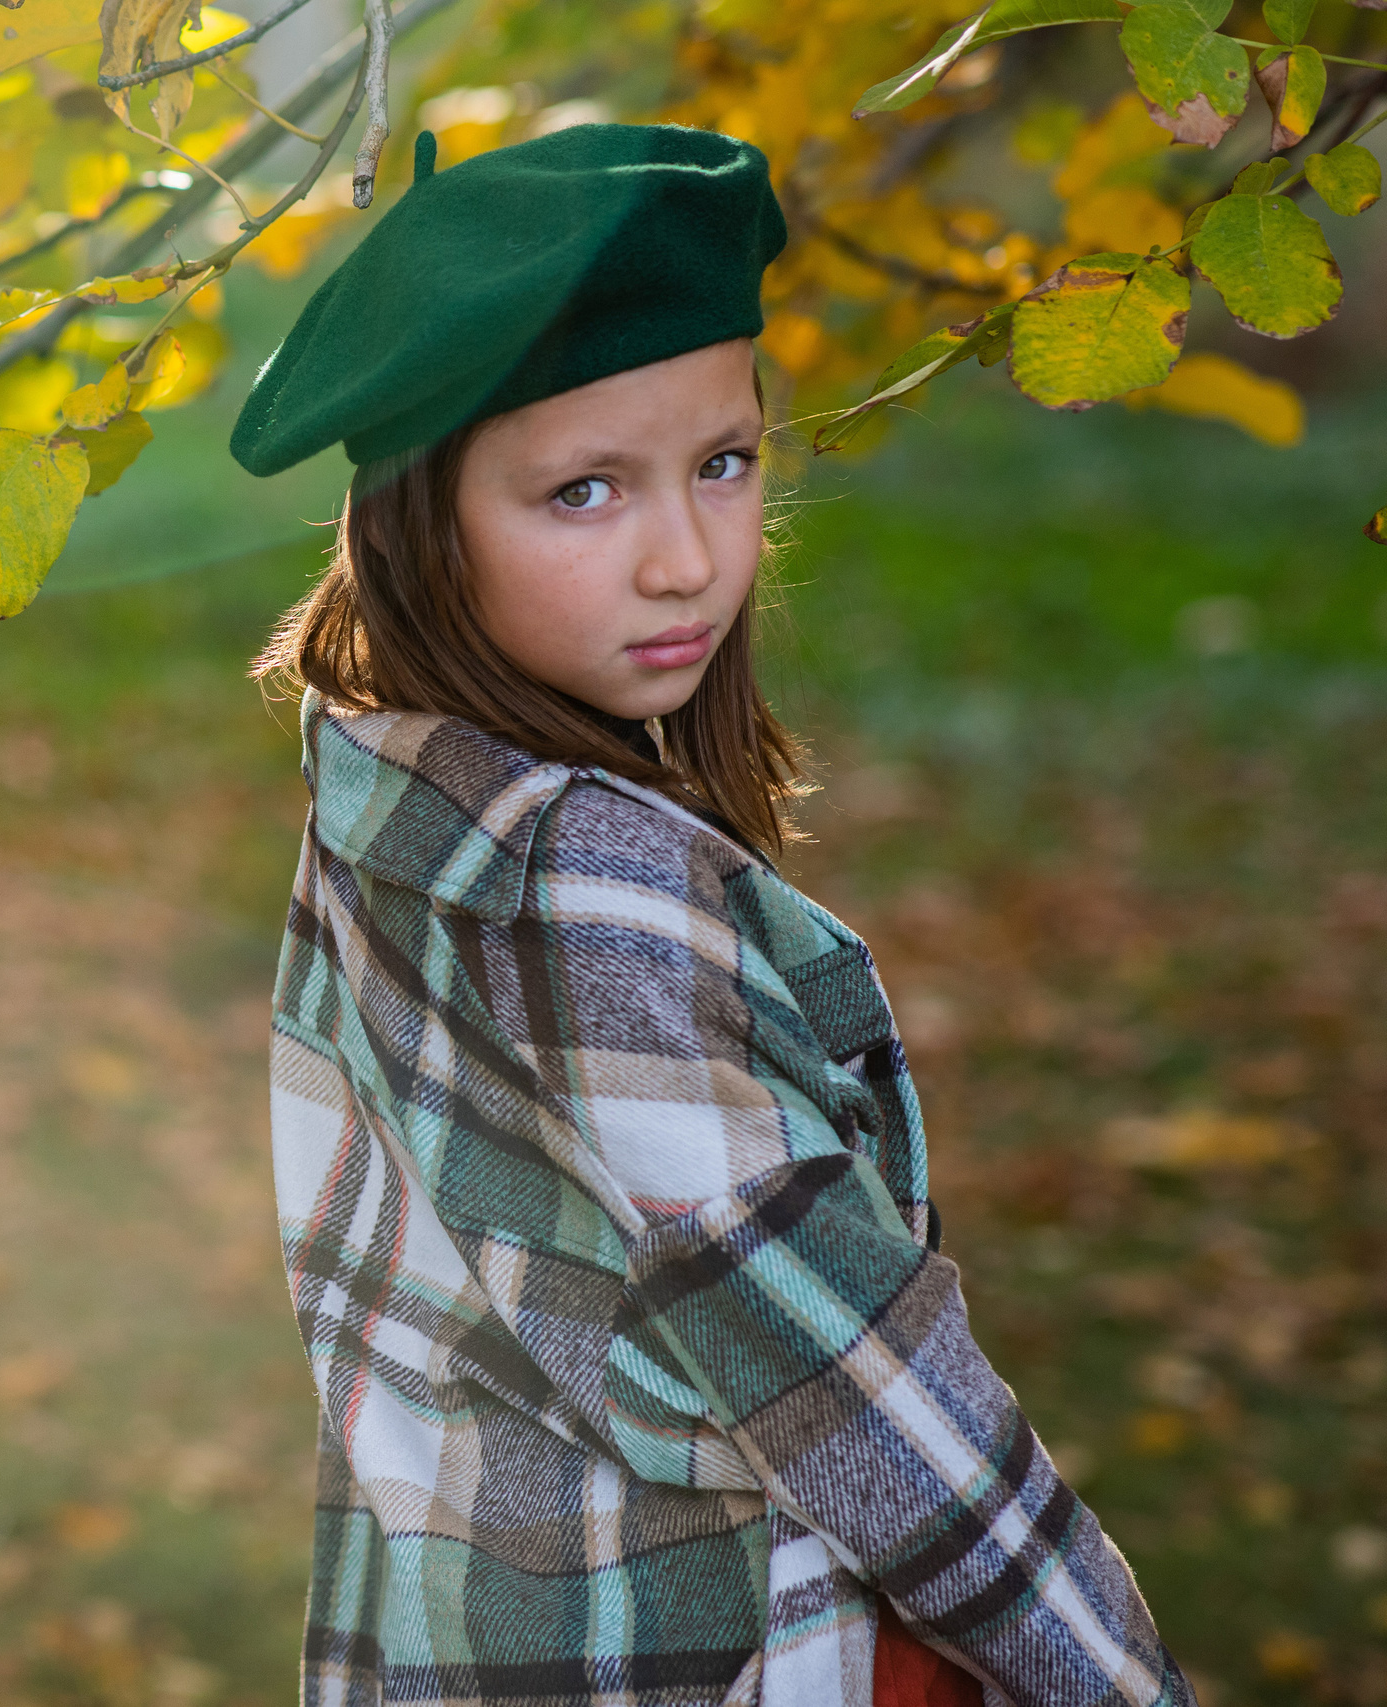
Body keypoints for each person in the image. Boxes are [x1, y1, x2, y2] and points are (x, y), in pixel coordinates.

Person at [231, 123, 1189, 1707]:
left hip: (465, 1629)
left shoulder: (387, 795)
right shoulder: (585, 895)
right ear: (422, 516)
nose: (686, 560)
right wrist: (1114, 1678)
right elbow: (852, 1390)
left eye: (723, 463)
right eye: (585, 489)